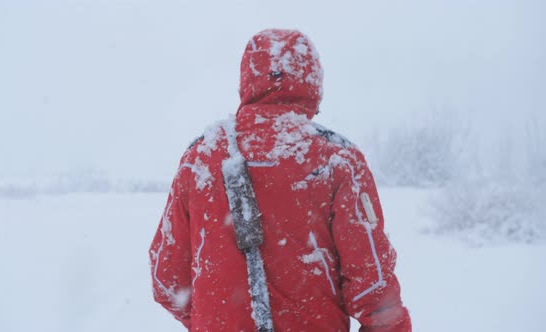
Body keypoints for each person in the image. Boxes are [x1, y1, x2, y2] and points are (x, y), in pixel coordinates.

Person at [149, 29, 412, 332]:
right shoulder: (337, 159)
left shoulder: (201, 159)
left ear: (247, 80)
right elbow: (374, 287)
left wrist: (215, 319)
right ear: (313, 81)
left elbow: (166, 278)